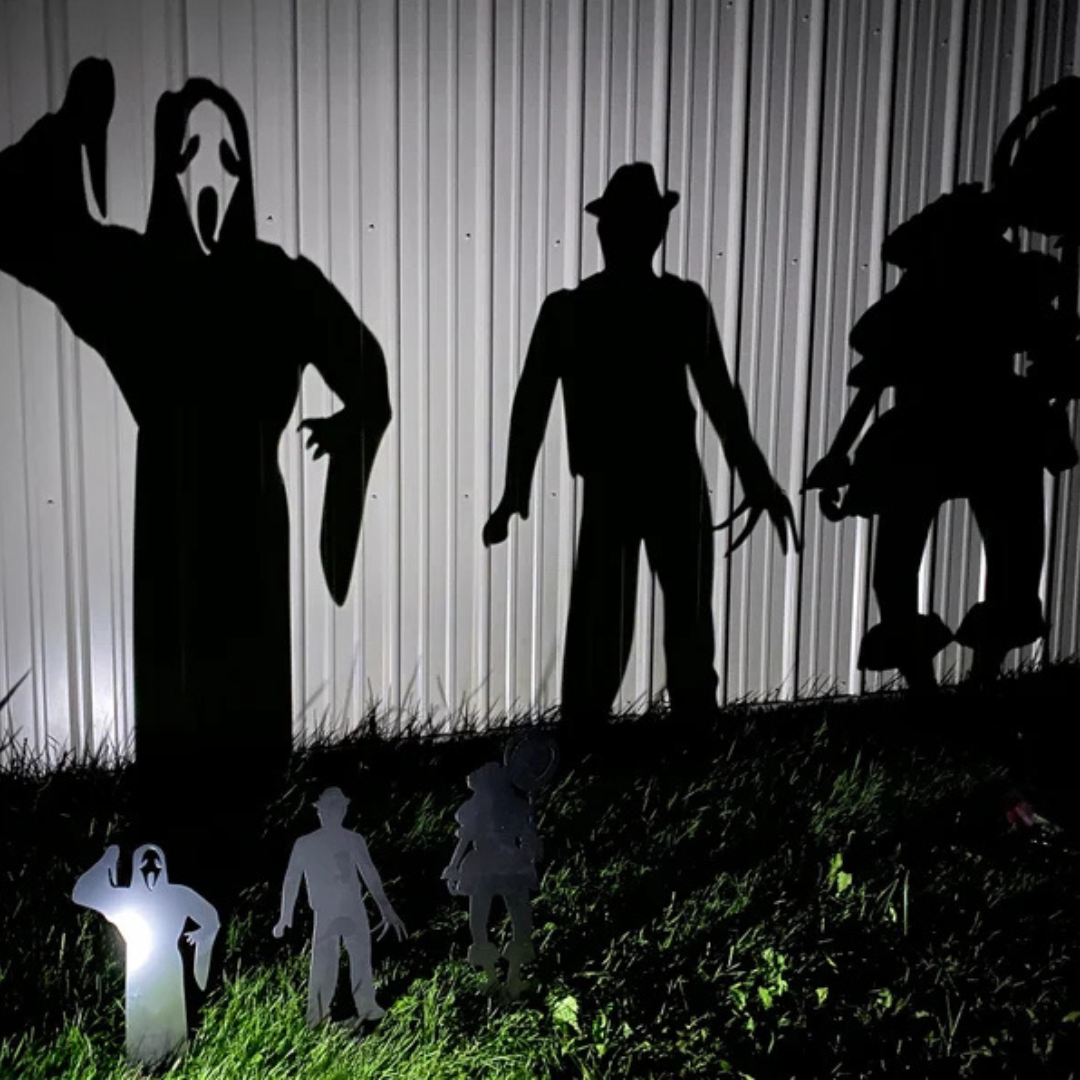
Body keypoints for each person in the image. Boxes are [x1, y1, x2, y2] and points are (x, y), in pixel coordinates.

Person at [0, 58, 391, 789]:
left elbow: (370, 381)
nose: (207, 174)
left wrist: (351, 430)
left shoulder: (270, 282)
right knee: (182, 698)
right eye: (186, 154)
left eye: (225, 154)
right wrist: (69, 128)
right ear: (166, 169)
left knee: (245, 699)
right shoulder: (138, 276)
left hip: (240, 511)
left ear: (245, 169)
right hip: (175, 517)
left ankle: (247, 815)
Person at [484, 163, 797, 725]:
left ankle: (645, 737)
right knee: (630, 624)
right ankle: (630, 737)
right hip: (639, 483)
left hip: (652, 481)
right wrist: (513, 489)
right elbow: (531, 403)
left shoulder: (602, 309)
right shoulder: (595, 309)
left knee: (657, 623)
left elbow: (719, 397)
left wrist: (757, 477)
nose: (615, 233)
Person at [804, 80, 1080, 690]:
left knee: (1003, 553)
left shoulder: (1000, 281)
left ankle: (969, 679)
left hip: (967, 420)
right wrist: (838, 454)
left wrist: (840, 453)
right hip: (966, 421)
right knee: (924, 560)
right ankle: (944, 682)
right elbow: (880, 367)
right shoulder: (980, 281)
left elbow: (878, 372)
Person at [73, 844, 219, 1067]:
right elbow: (82, 893)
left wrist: (201, 935)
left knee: (169, 1012)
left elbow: (211, 919)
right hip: (139, 965)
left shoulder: (178, 894)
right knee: (142, 1013)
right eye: (144, 865)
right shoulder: (125, 898)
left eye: (156, 865)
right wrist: (107, 862)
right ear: (136, 867)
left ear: (164, 867)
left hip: (169, 964)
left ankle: (174, 1060)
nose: (150, 870)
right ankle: (140, 1062)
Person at [273, 786, 407, 1025]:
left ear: (342, 811)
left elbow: (369, 873)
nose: (327, 814)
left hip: (351, 907)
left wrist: (386, 908)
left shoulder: (353, 840)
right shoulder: (306, 843)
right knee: (325, 961)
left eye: (334, 809)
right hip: (326, 910)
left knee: (359, 957)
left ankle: (365, 1006)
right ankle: (317, 1014)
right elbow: (291, 880)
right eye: (325, 809)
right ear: (321, 811)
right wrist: (285, 916)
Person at [441, 733, 556, 999]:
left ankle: (504, 977)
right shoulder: (505, 809)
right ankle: (503, 977)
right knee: (505, 918)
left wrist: (532, 845)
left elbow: (524, 840)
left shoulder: (497, 809)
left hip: (492, 864)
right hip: (504, 864)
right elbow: (468, 838)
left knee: (499, 919)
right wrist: (454, 867)